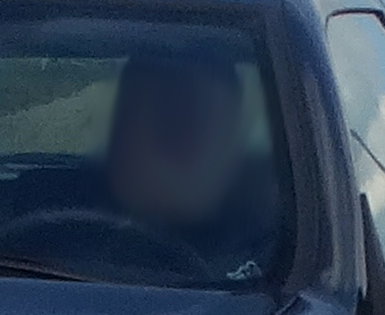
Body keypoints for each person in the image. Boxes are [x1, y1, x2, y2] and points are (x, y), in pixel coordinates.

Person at [104, 52, 278, 280]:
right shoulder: (82, 251)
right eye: (131, 122)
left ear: (231, 141)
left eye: (187, 122)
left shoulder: (282, 259)